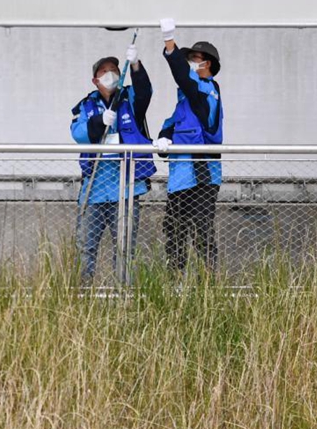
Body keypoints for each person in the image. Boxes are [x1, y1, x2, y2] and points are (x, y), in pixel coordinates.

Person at [71, 44, 155, 283]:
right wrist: (100, 120)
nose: (111, 75)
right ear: (95, 80)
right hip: (94, 190)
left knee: (125, 250)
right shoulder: (86, 106)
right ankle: (81, 296)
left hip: (126, 191)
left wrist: (136, 66)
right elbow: (78, 134)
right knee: (85, 249)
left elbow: (145, 91)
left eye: (115, 70)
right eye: (105, 71)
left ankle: (124, 299)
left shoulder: (129, 98)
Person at [155, 18, 224, 273]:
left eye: (196, 58)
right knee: (174, 232)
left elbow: (183, 77)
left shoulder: (207, 90)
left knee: (202, 231)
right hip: (179, 178)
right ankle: (176, 285)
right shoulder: (186, 98)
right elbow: (171, 124)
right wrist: (163, 137)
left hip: (202, 175)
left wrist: (169, 43)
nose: (192, 63)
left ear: (207, 65)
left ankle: (208, 286)